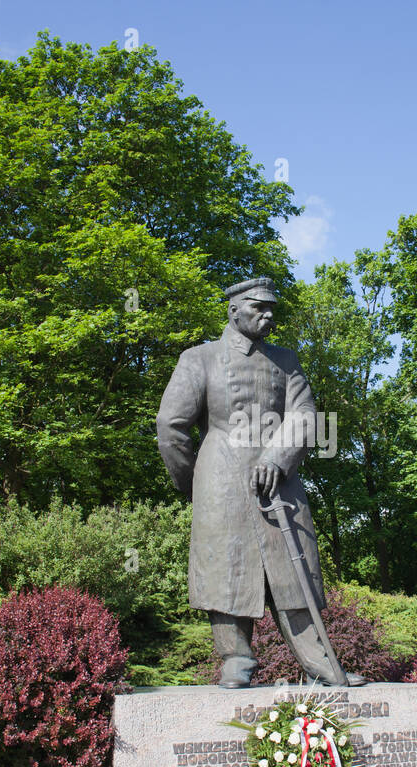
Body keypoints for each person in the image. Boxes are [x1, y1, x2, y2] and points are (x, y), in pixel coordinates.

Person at [156, 277, 366, 688]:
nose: (269, 316)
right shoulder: (199, 359)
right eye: (259, 308)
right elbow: (171, 425)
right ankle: (235, 661)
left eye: (273, 309)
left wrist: (277, 457)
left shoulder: (287, 361)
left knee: (295, 570)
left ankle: (321, 663)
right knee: (227, 571)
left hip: (280, 482)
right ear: (234, 310)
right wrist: (193, 483)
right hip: (221, 479)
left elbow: (306, 417)